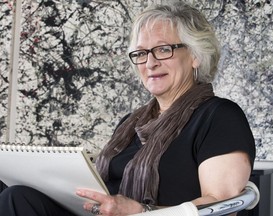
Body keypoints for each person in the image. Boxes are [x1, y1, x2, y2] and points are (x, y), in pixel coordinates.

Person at [0, 2, 255, 216]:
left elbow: (221, 206)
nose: (150, 63)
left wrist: (141, 212)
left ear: (195, 55)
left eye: (163, 49)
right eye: (141, 53)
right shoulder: (130, 123)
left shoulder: (219, 116)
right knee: (15, 196)